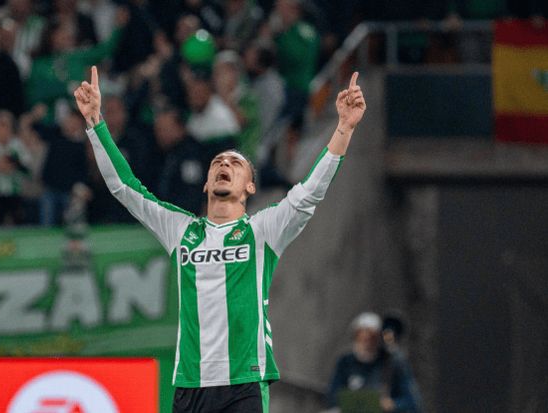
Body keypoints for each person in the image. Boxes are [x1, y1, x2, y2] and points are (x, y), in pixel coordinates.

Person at [74, 65, 365, 413]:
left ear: (250, 186)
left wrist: (343, 129)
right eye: (217, 163)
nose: (224, 164)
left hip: (244, 381)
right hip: (190, 384)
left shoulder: (263, 230)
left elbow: (308, 194)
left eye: (235, 163)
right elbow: (124, 187)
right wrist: (95, 122)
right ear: (206, 183)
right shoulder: (181, 230)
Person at [325, 312, 421, 413]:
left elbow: (412, 401)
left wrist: (393, 404)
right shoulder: (345, 362)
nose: (366, 343)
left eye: (372, 338)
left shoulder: (392, 362)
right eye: (362, 338)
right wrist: (362, 402)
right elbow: (333, 396)